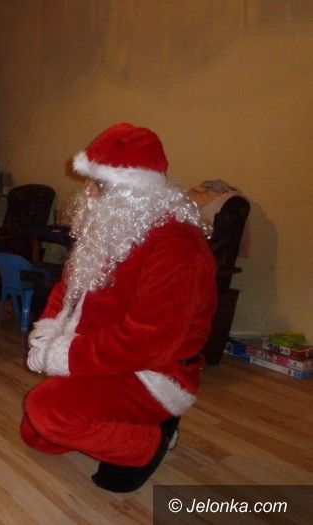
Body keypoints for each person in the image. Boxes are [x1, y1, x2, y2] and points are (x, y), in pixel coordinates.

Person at [20, 123, 217, 493]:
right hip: (103, 356)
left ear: (131, 191)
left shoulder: (177, 246)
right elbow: (67, 289)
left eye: (98, 185)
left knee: (48, 411)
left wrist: (66, 355)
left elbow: (149, 343)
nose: (88, 193)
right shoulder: (114, 227)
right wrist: (47, 332)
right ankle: (128, 425)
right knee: (35, 433)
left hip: (154, 372)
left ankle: (153, 441)